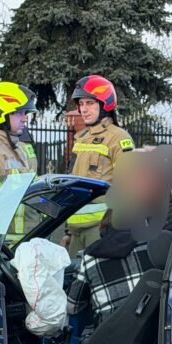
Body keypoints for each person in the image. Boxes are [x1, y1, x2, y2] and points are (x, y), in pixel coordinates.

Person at [62, 75, 135, 256]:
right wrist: (67, 231)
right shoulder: (80, 139)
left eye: (89, 103)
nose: (83, 109)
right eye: (81, 104)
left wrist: (114, 231)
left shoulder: (118, 138)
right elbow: (71, 185)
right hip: (75, 229)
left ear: (105, 104)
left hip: (100, 229)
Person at [66, 220, 155, 327]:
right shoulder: (152, 247)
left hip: (110, 335)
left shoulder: (89, 258)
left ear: (103, 230)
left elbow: (72, 307)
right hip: (154, 332)